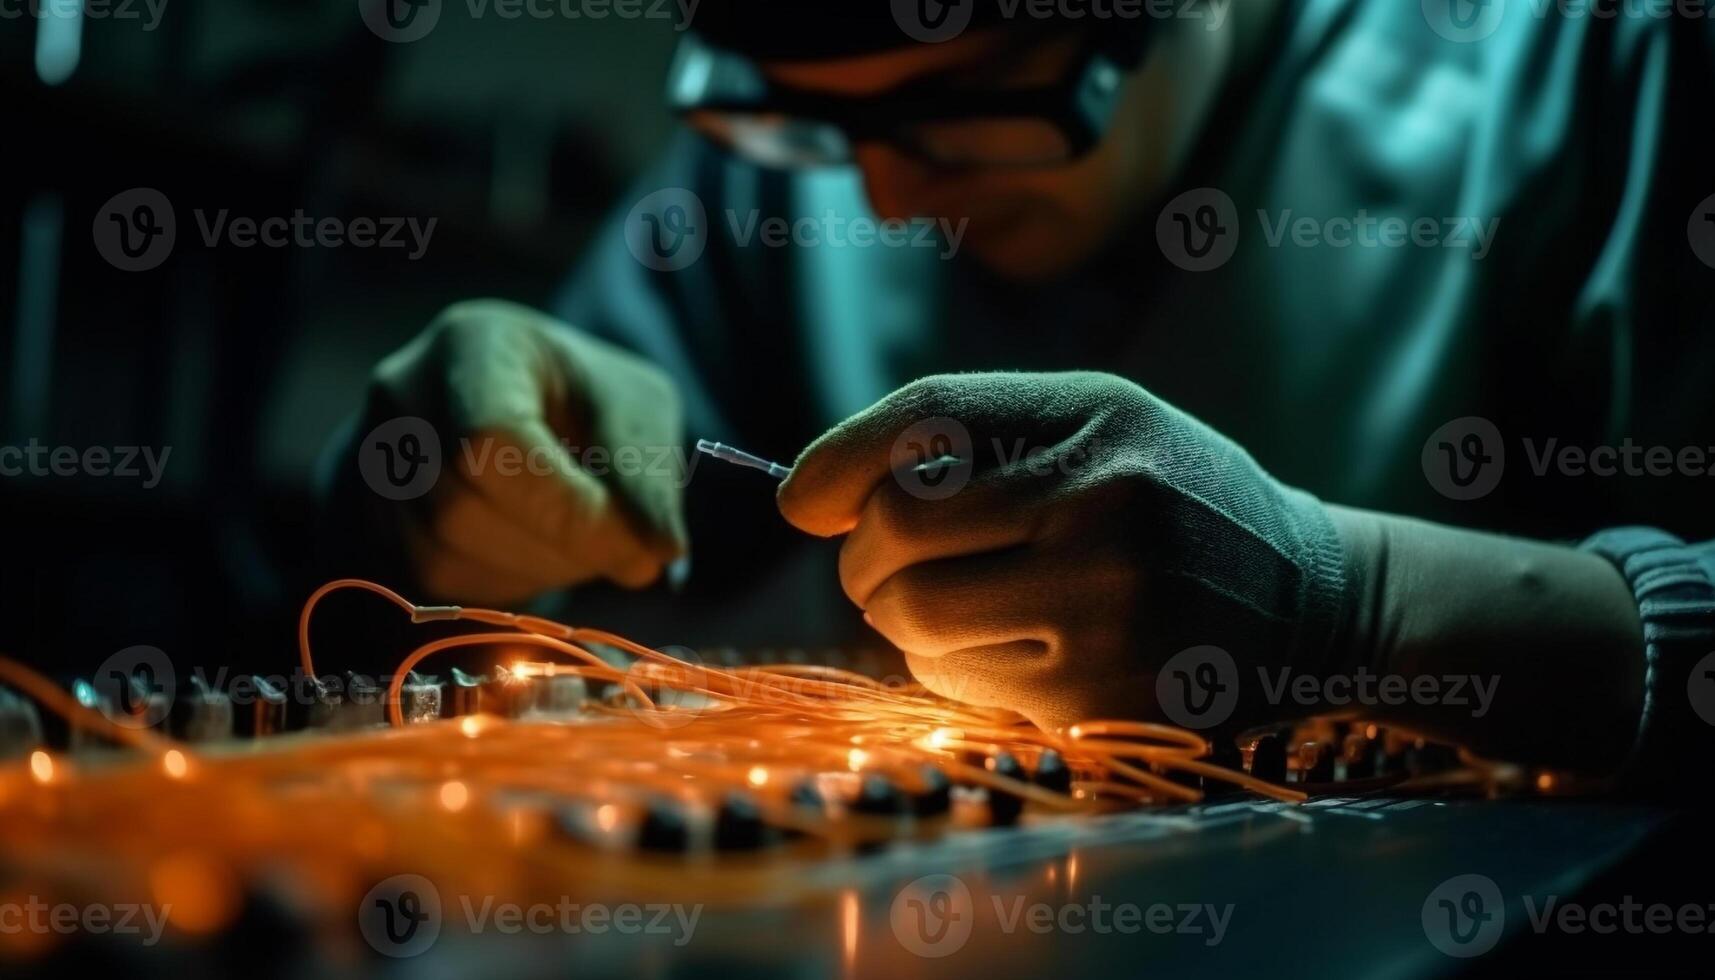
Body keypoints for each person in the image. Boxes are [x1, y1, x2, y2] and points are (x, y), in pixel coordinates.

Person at [322, 0, 1715, 786]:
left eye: (965, 108)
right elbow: (553, 508)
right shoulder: (781, 159)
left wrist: (1364, 607)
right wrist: (424, 495)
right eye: (825, 119)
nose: (879, 193)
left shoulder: (1606, 74)